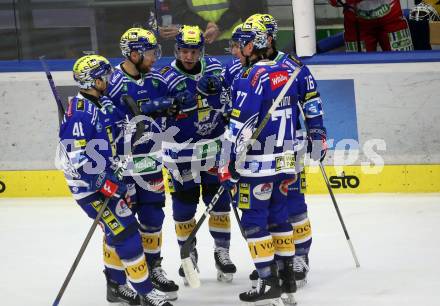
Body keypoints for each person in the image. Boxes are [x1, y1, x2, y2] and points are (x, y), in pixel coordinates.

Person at [218, 19, 327, 305]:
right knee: (280, 218)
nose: (238, 49)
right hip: (285, 162)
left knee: (255, 222)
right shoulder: (290, 69)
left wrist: (226, 162)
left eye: (242, 43)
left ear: (253, 44)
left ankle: (268, 280)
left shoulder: (252, 76)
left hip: (257, 165)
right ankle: (286, 278)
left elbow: (241, 125)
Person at [57, 54, 172, 306]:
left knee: (115, 233)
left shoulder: (104, 102)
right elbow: (76, 161)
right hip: (90, 188)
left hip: (112, 179)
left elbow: (119, 130)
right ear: (93, 80)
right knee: (127, 231)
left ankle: (116, 286)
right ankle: (145, 290)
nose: (109, 80)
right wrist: (104, 183)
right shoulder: (79, 113)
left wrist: (136, 125)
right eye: (104, 77)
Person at [245, 12, 323, 289]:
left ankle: (300, 256)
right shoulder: (249, 67)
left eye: (256, 37)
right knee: (266, 208)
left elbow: (311, 100)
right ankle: (277, 260)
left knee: (293, 203)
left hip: (291, 149)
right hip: (261, 154)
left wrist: (317, 132)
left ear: (268, 37)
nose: (251, 44)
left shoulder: (294, 66)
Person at [159, 25, 237, 284]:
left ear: (202, 50)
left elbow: (233, 101)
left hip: (214, 148)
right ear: (176, 49)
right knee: (184, 206)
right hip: (181, 153)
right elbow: (154, 117)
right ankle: (188, 252)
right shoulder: (165, 76)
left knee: (220, 204)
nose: (189, 56)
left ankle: (222, 252)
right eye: (184, 51)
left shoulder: (216, 68)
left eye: (194, 51)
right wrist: (170, 106)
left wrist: (221, 94)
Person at [106, 27, 179, 301]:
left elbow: (171, 112)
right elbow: (106, 125)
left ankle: (152, 268)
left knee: (153, 219)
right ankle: (115, 282)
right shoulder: (112, 83)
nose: (154, 57)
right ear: (133, 54)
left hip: (150, 162)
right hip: (123, 166)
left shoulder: (157, 79)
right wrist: (141, 109)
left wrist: (171, 107)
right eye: (149, 53)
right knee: (121, 226)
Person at [157, 0, 267, 54]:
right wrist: (212, 27)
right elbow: (179, 10)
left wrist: (217, 27)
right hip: (196, 41)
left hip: (231, 42)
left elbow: (241, 6)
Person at [328, 0, 413, 51]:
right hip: (356, 23)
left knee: (402, 62)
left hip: (391, 18)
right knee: (358, 68)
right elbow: (334, 2)